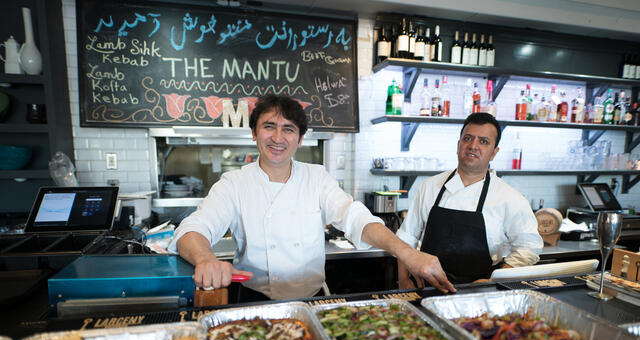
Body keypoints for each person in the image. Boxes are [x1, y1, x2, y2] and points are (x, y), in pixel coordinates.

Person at [169, 94, 456, 301]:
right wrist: (205, 258)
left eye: (288, 129)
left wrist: (407, 253)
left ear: (300, 139)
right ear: (254, 133)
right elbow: (194, 229)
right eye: (269, 126)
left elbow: (355, 218)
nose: (278, 137)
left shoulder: (316, 177)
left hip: (314, 300)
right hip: (252, 300)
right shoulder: (234, 182)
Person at [396, 112, 543, 287]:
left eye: (483, 141)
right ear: (458, 145)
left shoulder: (510, 198)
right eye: (468, 138)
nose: (473, 146)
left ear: (494, 153)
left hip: (480, 292)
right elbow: (406, 238)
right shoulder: (430, 186)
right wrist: (403, 279)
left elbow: (528, 248)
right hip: (427, 286)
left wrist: (493, 281)